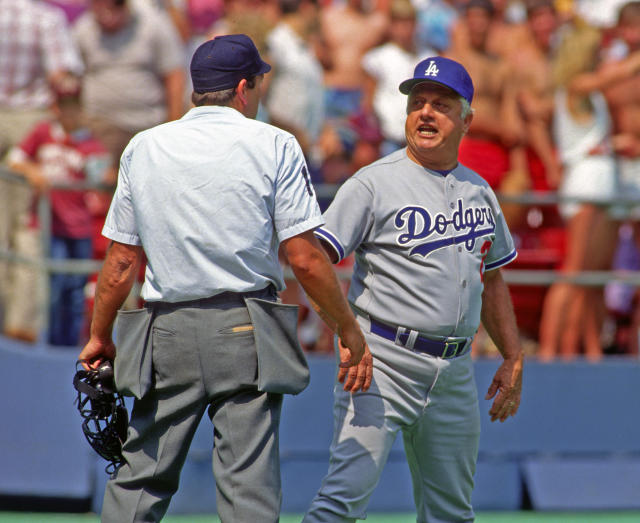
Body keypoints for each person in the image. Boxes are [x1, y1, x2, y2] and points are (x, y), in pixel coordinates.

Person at [78, 34, 372, 523]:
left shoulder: (144, 146)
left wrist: (99, 336)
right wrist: (346, 326)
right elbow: (304, 258)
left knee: (139, 481)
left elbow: (121, 263)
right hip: (244, 328)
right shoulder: (273, 142)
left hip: (164, 328)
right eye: (258, 83)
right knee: (247, 491)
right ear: (243, 88)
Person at [303, 56, 524, 523]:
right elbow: (313, 257)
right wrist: (346, 331)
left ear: (467, 120)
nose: (425, 112)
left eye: (440, 105)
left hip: (455, 370)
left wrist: (512, 354)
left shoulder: (479, 190)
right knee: (341, 504)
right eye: (417, 103)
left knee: (451, 513)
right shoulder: (372, 183)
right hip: (381, 362)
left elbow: (493, 275)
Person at [0, 0, 85, 342]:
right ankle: (20, 326)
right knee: (27, 230)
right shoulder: (45, 19)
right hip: (29, 123)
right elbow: (63, 78)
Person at [7, 75, 111, 347]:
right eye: (62, 105)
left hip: (80, 226)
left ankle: (70, 346)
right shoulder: (42, 133)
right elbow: (14, 159)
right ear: (54, 107)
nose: (68, 112)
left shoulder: (88, 141)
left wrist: (107, 175)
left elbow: (102, 175)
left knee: (76, 292)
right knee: (54, 288)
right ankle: (52, 343)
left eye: (73, 105)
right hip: (51, 225)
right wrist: (33, 171)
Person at [537, 20, 620, 361]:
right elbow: (619, 73)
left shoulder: (589, 91)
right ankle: (548, 351)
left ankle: (585, 349)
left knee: (591, 278)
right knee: (573, 273)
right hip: (586, 185)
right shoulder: (577, 85)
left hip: (602, 184)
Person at [72, 0, 186, 175]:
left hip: (147, 125)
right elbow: (72, 79)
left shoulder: (153, 24)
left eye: (115, 5)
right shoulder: (82, 30)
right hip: (100, 127)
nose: (108, 12)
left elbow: (174, 76)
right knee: (101, 192)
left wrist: (173, 128)